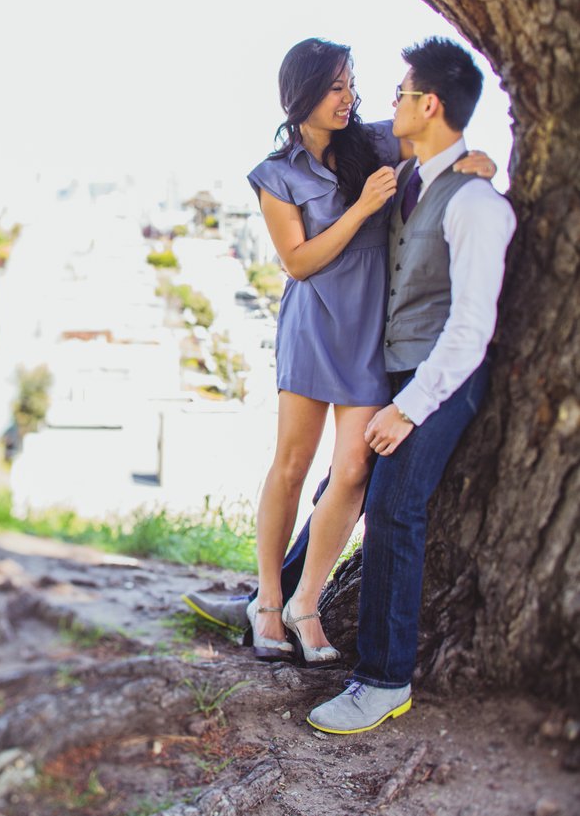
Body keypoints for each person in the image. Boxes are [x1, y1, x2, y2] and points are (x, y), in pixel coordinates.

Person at [183, 37, 499, 669]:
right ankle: (267, 601)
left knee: (352, 469)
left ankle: (308, 600)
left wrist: (481, 162)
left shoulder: (378, 142)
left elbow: (437, 143)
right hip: (314, 322)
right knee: (294, 464)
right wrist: (360, 210)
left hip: (369, 331)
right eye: (335, 87)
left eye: (352, 84)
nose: (349, 98)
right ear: (300, 95)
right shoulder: (276, 174)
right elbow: (298, 262)